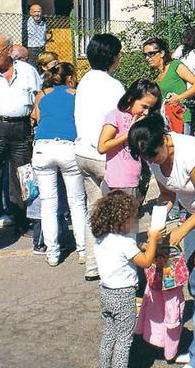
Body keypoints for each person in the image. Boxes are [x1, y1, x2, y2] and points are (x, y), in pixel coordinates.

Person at [128, 114, 195, 368]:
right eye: (146, 158)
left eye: (153, 154)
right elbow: (167, 194)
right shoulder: (153, 157)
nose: (151, 161)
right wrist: (158, 227)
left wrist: (179, 232)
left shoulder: (193, 154)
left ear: (165, 139)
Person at [0, 34, 43, 241]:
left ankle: (22, 222)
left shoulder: (28, 72)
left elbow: (39, 96)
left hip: (21, 128)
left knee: (22, 178)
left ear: (9, 50)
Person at [90, 190, 164, 368]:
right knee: (124, 341)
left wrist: (139, 246)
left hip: (106, 292)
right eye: (132, 218)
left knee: (109, 335)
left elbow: (122, 253)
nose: (134, 222)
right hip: (123, 295)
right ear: (122, 220)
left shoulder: (101, 237)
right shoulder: (125, 243)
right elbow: (146, 262)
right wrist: (153, 239)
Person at [75, 33, 125, 281]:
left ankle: (92, 266)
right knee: (122, 209)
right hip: (105, 156)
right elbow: (123, 120)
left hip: (82, 152)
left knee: (93, 208)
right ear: (112, 57)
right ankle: (119, 265)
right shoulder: (113, 86)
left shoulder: (85, 80)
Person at [30, 62, 87, 267]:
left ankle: (52, 253)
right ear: (70, 77)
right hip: (68, 147)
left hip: (43, 147)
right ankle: (83, 250)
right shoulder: (76, 94)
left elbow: (36, 118)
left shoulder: (42, 94)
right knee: (77, 203)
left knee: (48, 203)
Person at [97, 79, 161, 198]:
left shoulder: (140, 119)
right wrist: (128, 133)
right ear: (130, 98)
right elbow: (102, 147)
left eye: (150, 108)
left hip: (134, 181)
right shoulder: (115, 115)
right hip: (116, 182)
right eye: (144, 106)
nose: (146, 112)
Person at [142, 38, 195, 134]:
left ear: (161, 53)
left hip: (180, 118)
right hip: (166, 121)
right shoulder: (157, 77)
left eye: (151, 54)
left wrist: (179, 97)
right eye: (145, 55)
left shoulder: (175, 65)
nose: (147, 58)